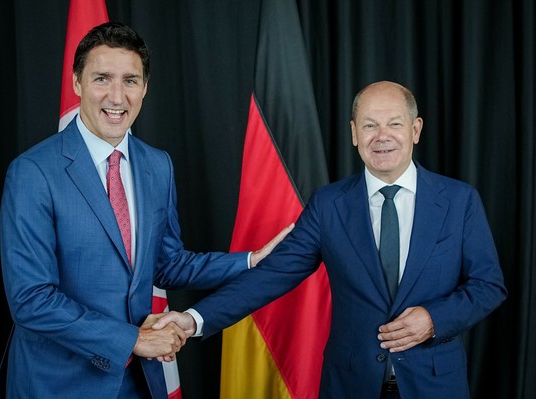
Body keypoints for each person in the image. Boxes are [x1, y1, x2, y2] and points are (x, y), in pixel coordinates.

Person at [153, 81, 508, 398]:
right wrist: (193, 319)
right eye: (369, 125)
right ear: (354, 133)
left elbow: (488, 285)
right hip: (351, 384)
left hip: (435, 384)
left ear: (415, 129)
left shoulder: (460, 200)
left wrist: (434, 318)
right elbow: (270, 276)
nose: (381, 136)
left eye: (394, 123)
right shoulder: (328, 204)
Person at [0, 22, 291, 399]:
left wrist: (250, 260)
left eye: (130, 80)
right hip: (58, 383)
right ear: (77, 83)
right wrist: (132, 339)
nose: (117, 96)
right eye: (102, 78)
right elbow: (31, 300)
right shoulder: (33, 171)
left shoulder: (156, 165)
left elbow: (167, 263)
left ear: (145, 87)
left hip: (139, 383)